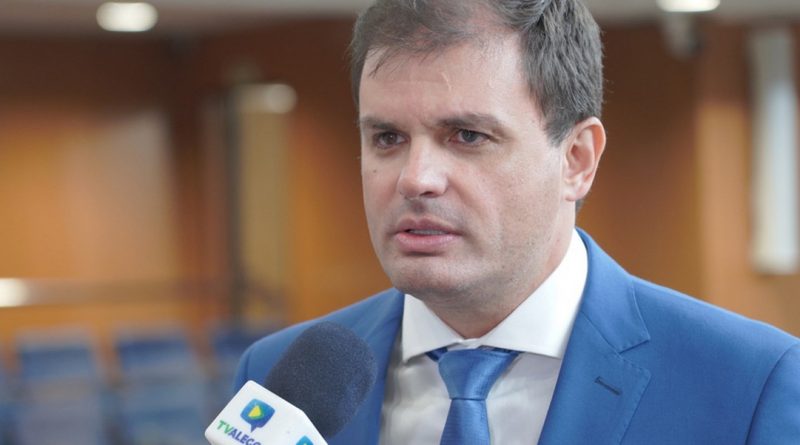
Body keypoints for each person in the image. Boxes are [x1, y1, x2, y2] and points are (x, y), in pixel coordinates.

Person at [235, 0, 800, 443]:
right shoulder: (276, 378)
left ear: (576, 160)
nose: (415, 179)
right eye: (387, 137)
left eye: (468, 136)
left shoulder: (748, 385)